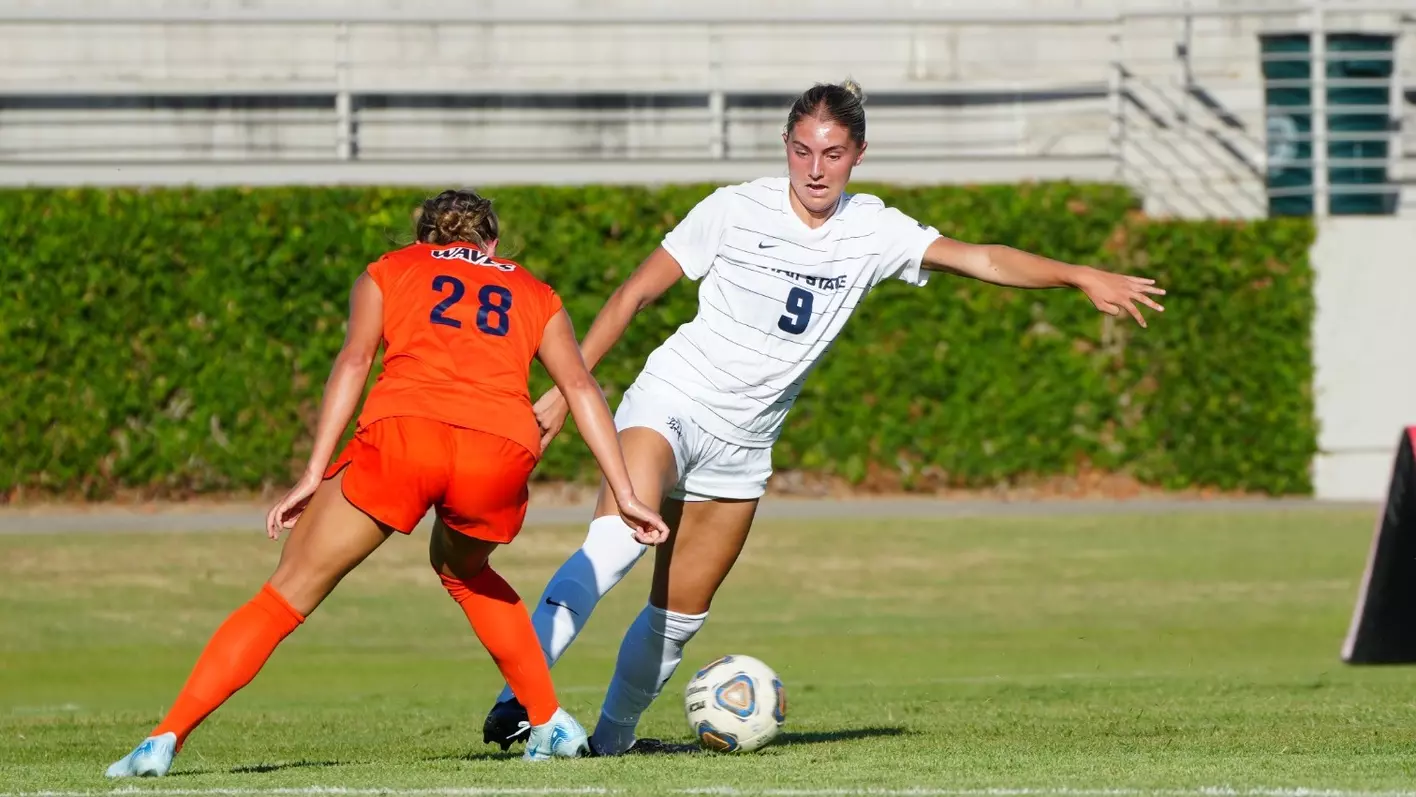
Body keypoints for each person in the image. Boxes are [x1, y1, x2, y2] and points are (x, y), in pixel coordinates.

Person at [481, 78, 1167, 756]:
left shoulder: (873, 229)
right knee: (619, 539)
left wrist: (1079, 274)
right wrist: (569, 392)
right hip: (673, 402)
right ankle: (523, 694)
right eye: (802, 149)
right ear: (784, 145)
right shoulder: (732, 209)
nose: (815, 168)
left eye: (832, 153)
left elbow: (981, 258)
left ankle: (610, 747)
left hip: (743, 448)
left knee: (679, 616)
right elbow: (632, 293)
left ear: (858, 154)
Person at [104, 189, 671, 777]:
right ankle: (549, 720)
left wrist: (309, 471)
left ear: (422, 239)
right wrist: (625, 492)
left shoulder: (389, 270)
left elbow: (354, 363)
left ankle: (165, 739)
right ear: (493, 242)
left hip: (406, 435)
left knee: (287, 594)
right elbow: (581, 389)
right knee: (465, 572)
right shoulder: (536, 292)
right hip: (499, 449)